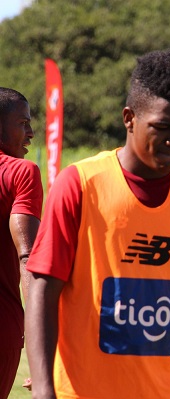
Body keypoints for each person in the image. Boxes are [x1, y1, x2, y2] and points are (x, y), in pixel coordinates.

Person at [25, 50, 170, 399]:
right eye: (162, 128)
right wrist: (43, 390)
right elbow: (43, 289)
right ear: (129, 118)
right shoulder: (80, 185)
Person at [0, 88, 43, 399]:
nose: (30, 133)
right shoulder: (21, 172)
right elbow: (27, 256)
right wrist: (41, 350)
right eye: (23, 123)